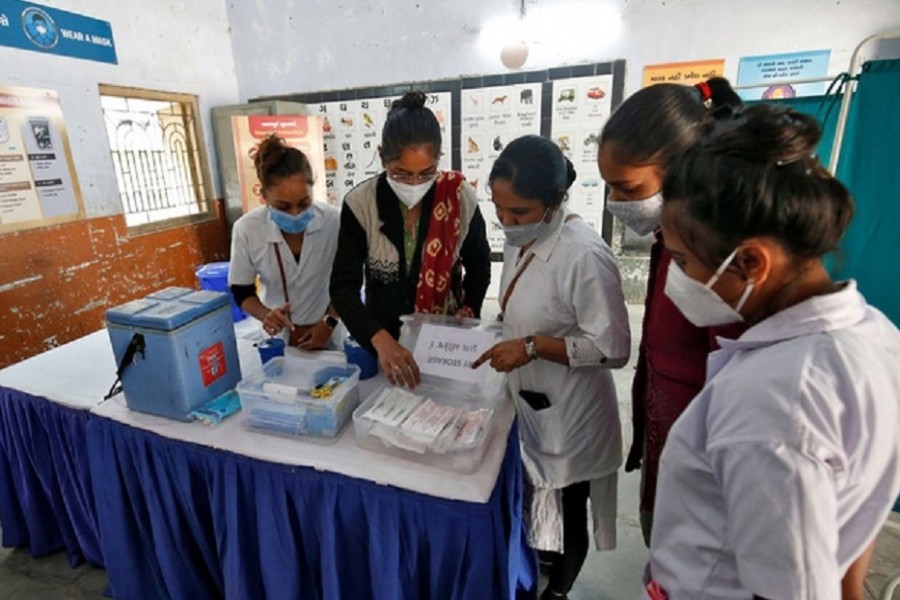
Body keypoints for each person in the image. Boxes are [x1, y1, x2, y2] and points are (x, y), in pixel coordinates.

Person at [645, 104, 900, 600]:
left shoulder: (774, 398)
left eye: (683, 260)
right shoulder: (874, 331)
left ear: (752, 261)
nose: (679, 279)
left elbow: (793, 592)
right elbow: (856, 515)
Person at [473, 135, 630, 600]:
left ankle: (557, 593)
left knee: (567, 509)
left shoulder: (583, 254)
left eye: (518, 212)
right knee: (540, 509)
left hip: (573, 414)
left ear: (556, 201)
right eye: (499, 208)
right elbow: (528, 303)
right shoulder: (528, 238)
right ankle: (536, 576)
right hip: (532, 402)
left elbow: (614, 347)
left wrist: (533, 346)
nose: (506, 222)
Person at [597, 78, 745, 545]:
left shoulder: (715, 263)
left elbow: (734, 391)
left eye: (627, 187)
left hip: (706, 476)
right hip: (669, 445)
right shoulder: (670, 243)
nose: (616, 203)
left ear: (683, 170)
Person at [330, 91, 491, 387]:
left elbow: (479, 265)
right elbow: (343, 287)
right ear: (382, 157)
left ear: (439, 159)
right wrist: (379, 339)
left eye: (426, 173)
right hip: (382, 339)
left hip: (443, 339)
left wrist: (470, 309)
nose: (415, 184)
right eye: (401, 174)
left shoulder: (459, 198)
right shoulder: (361, 203)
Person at [229, 134, 341, 350]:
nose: (296, 214)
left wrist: (329, 322)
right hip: (277, 336)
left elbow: (350, 281)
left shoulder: (335, 221)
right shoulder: (247, 230)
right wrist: (266, 315)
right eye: (283, 206)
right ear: (263, 195)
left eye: (304, 203)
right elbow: (241, 292)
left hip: (328, 331)